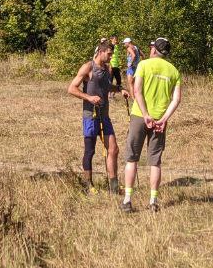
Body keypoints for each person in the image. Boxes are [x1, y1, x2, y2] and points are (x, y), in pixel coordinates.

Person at [122, 37, 182, 213]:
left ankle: (127, 199)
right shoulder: (174, 71)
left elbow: (137, 91)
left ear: (155, 49)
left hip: (140, 116)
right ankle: (153, 200)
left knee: (132, 158)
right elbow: (176, 99)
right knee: (155, 161)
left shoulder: (144, 65)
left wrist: (146, 114)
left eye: (152, 47)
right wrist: (163, 119)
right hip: (159, 120)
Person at [68, 40, 120, 194]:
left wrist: (119, 88)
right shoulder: (88, 67)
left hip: (105, 116)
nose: (111, 57)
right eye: (109, 54)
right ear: (101, 52)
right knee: (90, 151)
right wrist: (89, 98)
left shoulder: (107, 69)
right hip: (90, 115)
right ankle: (87, 185)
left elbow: (106, 86)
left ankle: (114, 186)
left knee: (113, 149)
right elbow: (71, 88)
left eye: (112, 54)